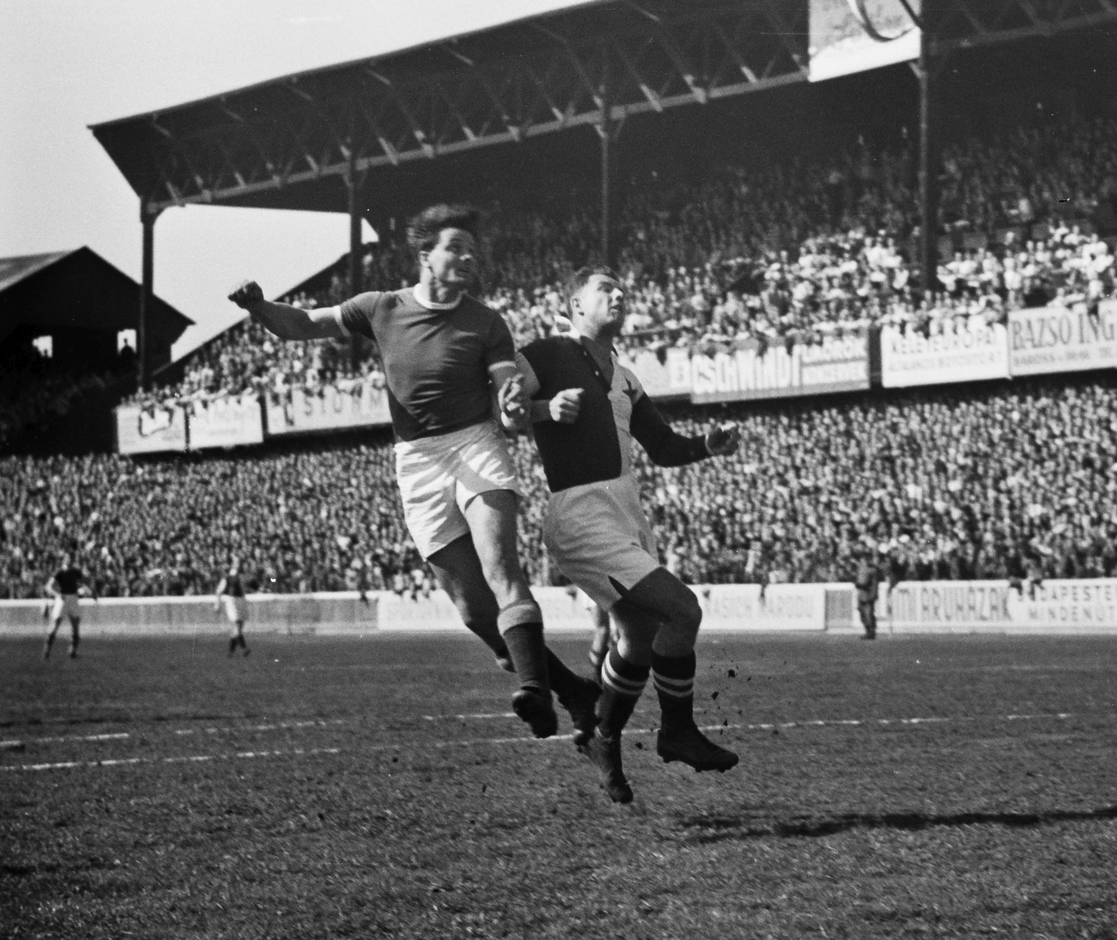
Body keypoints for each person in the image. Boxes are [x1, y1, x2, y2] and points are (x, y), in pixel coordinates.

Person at [228, 203, 597, 740]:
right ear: (426, 256)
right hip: (416, 460)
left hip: (475, 444)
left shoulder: (487, 322)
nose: (469, 258)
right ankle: (574, 689)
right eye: (456, 248)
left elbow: (507, 399)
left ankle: (535, 693)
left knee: (502, 571)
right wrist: (258, 306)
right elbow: (303, 325)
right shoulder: (379, 308)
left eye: (474, 251)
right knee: (474, 612)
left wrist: (517, 405)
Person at [515, 265, 741, 804]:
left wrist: (708, 444)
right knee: (682, 610)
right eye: (605, 290)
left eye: (623, 290)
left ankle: (602, 739)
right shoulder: (543, 354)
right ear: (574, 304)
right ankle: (676, 732)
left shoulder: (624, 373)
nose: (618, 296)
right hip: (580, 511)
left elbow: (662, 448)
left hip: (626, 508)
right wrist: (544, 408)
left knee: (637, 637)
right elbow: (500, 413)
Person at [42, 554, 95, 660]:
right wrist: (58, 595)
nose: (70, 561)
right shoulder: (60, 572)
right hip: (62, 600)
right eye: (68, 559)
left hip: (73, 599)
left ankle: (73, 651)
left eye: (71, 559)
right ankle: (47, 650)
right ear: (64, 560)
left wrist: (89, 590)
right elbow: (48, 586)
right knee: (55, 626)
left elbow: (85, 581)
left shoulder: (76, 571)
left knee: (76, 626)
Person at [215, 558, 251, 656]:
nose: (239, 565)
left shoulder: (242, 575)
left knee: (238, 627)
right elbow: (219, 591)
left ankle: (231, 651)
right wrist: (217, 604)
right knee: (237, 625)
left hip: (242, 601)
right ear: (233, 564)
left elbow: (247, 587)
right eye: (237, 563)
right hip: (232, 601)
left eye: (240, 562)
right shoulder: (228, 577)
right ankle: (244, 648)